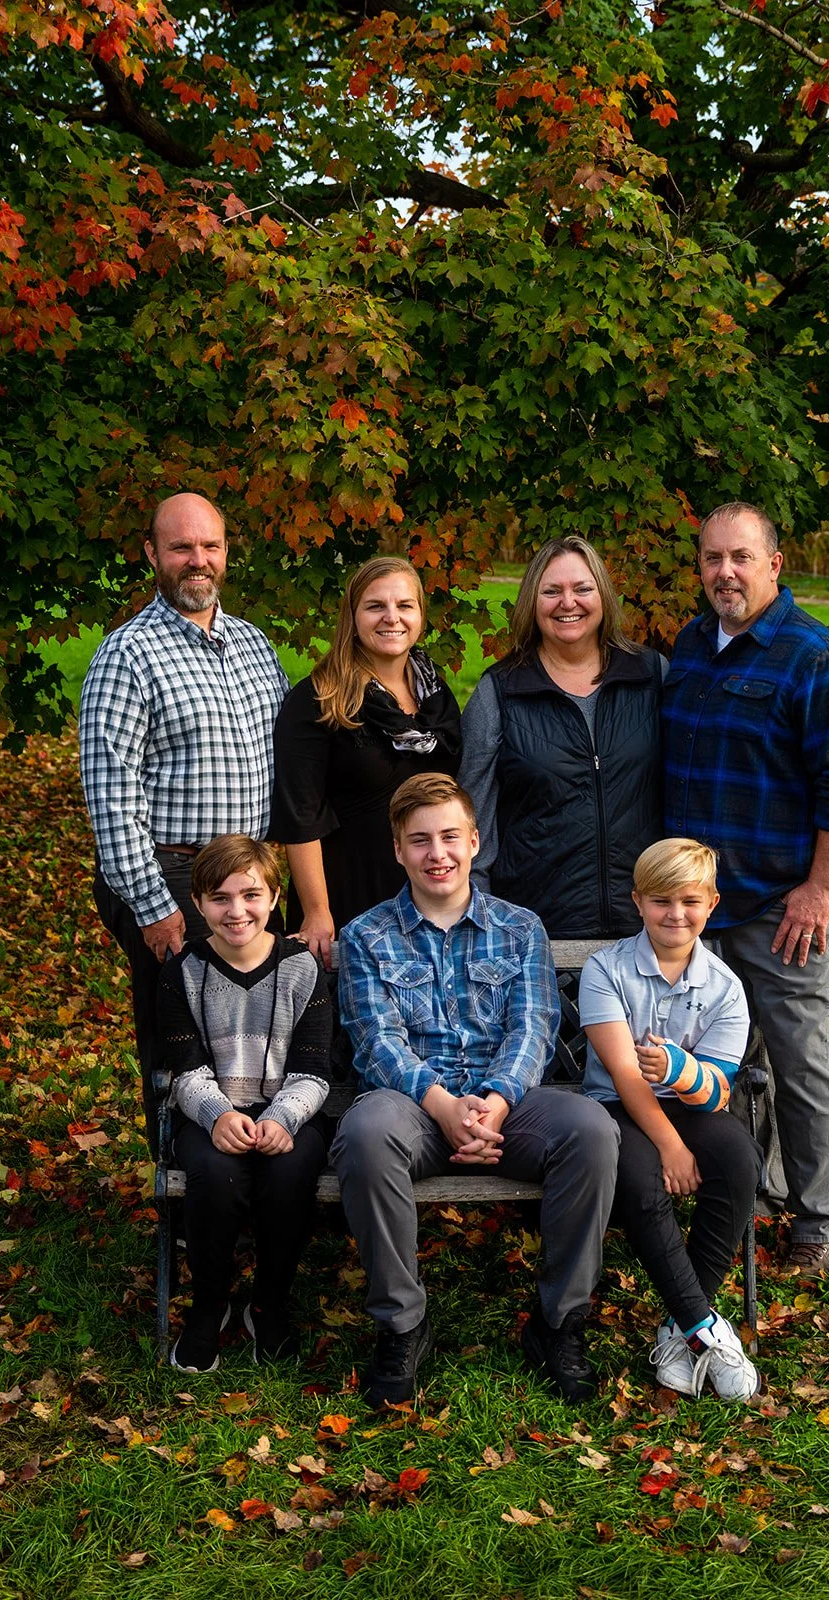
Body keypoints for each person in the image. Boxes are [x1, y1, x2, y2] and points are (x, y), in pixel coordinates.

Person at [332, 773, 621, 1405]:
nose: (437, 853)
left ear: (475, 842)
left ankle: (558, 1323)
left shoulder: (519, 929)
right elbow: (375, 1040)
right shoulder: (365, 936)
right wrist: (441, 1106)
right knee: (363, 1133)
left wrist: (493, 1103)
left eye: (450, 837)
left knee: (593, 1131)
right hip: (411, 1107)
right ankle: (402, 1324)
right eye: (419, 841)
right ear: (397, 850)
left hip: (506, 1106)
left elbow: (535, 1026)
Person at [662, 501, 829, 1279]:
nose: (725, 572)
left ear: (775, 565)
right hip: (701, 912)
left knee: (799, 1059)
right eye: (712, 558)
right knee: (731, 1059)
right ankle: (756, 1194)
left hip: (782, 909)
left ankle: (822, 1216)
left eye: (741, 558)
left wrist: (820, 890)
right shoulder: (691, 647)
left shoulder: (810, 657)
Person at [80, 492, 291, 1148]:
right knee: (186, 1044)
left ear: (226, 553)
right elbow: (111, 801)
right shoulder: (127, 656)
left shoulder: (256, 647)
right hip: (173, 875)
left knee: (261, 1041)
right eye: (181, 547)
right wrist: (152, 907)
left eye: (210, 546)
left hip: (255, 877)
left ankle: (257, 1168)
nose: (197, 561)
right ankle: (187, 1186)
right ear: (152, 554)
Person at [579, 838, 761, 1400]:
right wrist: (672, 1148)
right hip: (617, 1107)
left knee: (737, 1158)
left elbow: (715, 1095)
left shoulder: (726, 988)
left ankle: (681, 1325)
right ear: (638, 902)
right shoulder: (605, 970)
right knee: (637, 1176)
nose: (675, 914)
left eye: (689, 901)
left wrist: (680, 1069)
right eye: (661, 901)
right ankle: (706, 1332)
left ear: (711, 904)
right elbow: (627, 1079)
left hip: (688, 1105)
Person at [158, 835, 332, 1373]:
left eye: (251, 895)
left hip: (288, 1110)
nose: (237, 911)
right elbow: (183, 1067)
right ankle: (211, 1302)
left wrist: (282, 1118)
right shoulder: (183, 970)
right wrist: (218, 1115)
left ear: (277, 897)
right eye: (220, 898)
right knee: (216, 1176)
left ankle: (269, 1301)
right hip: (209, 1112)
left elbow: (314, 1068)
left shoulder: (302, 969)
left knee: (289, 1174)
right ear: (199, 903)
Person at [458, 536, 664, 938]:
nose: (568, 603)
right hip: (535, 928)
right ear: (532, 603)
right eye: (551, 591)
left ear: (602, 595)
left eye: (582, 589)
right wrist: (477, 911)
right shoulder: (500, 691)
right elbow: (471, 816)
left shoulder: (651, 675)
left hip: (648, 924)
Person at [269, 556, 461, 966]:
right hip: (349, 899)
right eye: (375, 606)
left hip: (429, 898)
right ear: (352, 616)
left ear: (421, 616)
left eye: (405, 605)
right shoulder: (318, 700)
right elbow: (300, 817)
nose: (392, 617)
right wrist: (318, 911)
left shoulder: (435, 694)